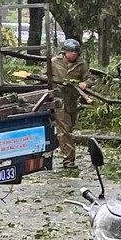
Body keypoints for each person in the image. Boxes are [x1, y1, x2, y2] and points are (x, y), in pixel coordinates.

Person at [52, 39, 92, 169]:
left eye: (76, 52)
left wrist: (86, 83)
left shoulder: (82, 64)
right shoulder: (54, 62)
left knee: (69, 128)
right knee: (65, 130)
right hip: (59, 100)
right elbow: (45, 77)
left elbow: (89, 78)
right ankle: (69, 160)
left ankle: (58, 144)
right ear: (64, 52)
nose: (73, 54)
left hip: (72, 100)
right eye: (71, 52)